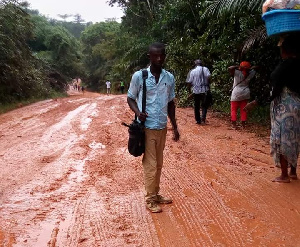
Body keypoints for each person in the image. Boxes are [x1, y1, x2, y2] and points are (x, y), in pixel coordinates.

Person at [127, 42, 180, 213]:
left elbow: (171, 103)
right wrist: (138, 112)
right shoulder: (139, 76)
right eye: (156, 55)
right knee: (150, 163)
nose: (159, 58)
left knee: (159, 164)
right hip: (146, 127)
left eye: (162, 55)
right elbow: (130, 98)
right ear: (149, 56)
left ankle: (155, 194)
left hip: (161, 127)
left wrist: (175, 126)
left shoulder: (169, 78)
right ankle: (150, 199)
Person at [244, 33, 300, 183]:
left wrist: (256, 102)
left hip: (284, 106)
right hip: (298, 105)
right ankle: (293, 171)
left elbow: (274, 89)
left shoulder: (283, 67)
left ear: (285, 50)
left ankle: (284, 175)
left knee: (282, 138)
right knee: (295, 137)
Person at [228, 61, 258, 128]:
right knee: (244, 109)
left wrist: (238, 67)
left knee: (233, 109)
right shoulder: (251, 73)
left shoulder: (237, 72)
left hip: (236, 93)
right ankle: (243, 124)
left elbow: (229, 68)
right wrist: (249, 68)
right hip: (245, 92)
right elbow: (256, 67)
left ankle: (234, 125)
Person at [186, 59, 211, 124]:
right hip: (205, 90)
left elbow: (189, 82)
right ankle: (203, 118)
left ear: (195, 64)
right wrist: (208, 86)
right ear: (201, 64)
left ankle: (198, 120)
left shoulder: (192, 71)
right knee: (204, 105)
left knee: (196, 106)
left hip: (196, 91)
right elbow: (209, 78)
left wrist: (189, 92)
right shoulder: (205, 69)